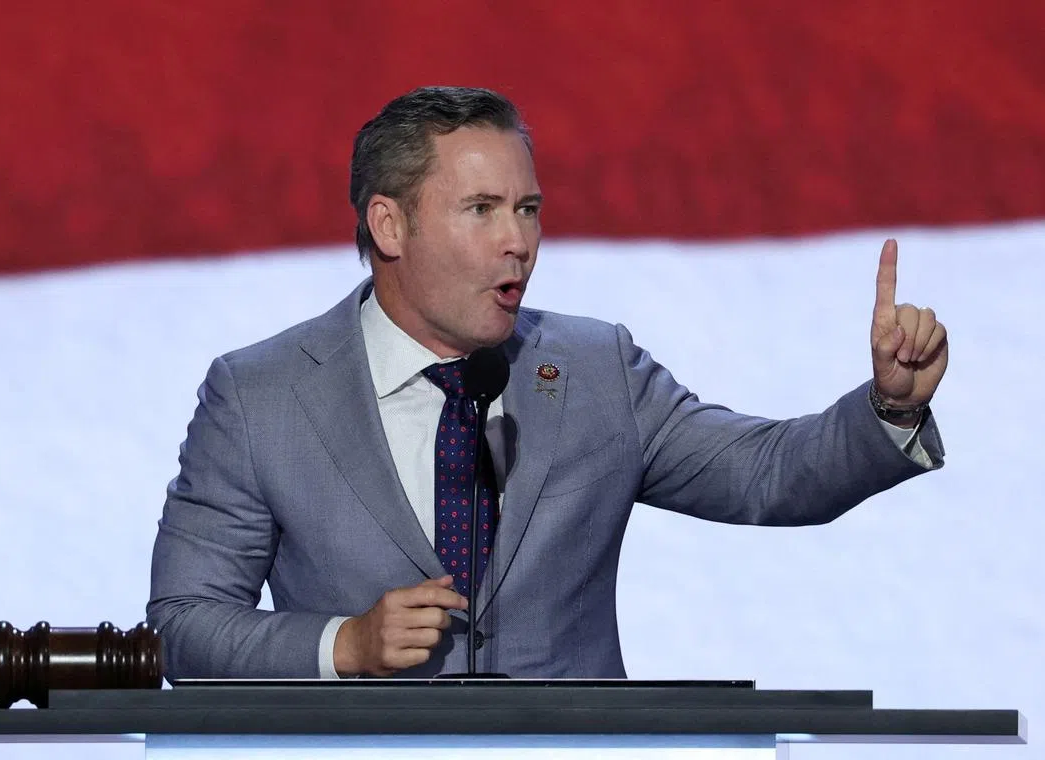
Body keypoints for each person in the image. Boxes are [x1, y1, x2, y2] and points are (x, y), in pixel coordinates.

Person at [147, 86, 948, 680]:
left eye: (528, 209)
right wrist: (343, 645)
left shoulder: (596, 370)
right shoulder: (260, 397)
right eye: (483, 209)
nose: (519, 242)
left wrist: (890, 406)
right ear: (390, 225)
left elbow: (767, 475)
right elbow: (184, 626)